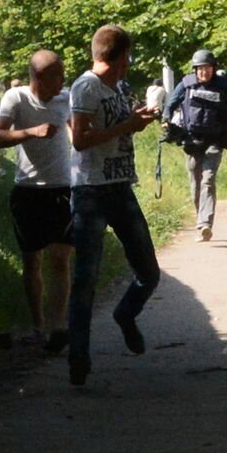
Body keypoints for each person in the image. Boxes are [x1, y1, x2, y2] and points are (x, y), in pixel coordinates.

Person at [67, 24, 161, 386]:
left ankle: (125, 314)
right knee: (86, 279)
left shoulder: (118, 87)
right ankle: (79, 359)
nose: (129, 63)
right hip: (91, 192)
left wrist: (135, 119)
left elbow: (119, 124)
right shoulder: (85, 86)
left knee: (149, 272)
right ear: (122, 57)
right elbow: (79, 140)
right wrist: (126, 125)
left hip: (120, 188)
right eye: (129, 57)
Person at [0, 50, 73, 352]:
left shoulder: (66, 100)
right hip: (28, 191)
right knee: (32, 261)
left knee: (60, 260)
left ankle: (58, 327)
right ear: (38, 77)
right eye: (57, 76)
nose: (62, 81)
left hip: (63, 188)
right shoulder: (15, 98)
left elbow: (80, 135)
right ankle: (38, 326)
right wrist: (32, 132)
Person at [162, 49, 227, 242]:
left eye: (207, 68)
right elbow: (170, 104)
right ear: (195, 70)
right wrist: (166, 119)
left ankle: (205, 223)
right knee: (195, 181)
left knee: (208, 179)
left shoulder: (223, 86)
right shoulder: (186, 84)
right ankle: (200, 218)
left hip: (215, 140)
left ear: (213, 68)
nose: (204, 72)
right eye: (200, 69)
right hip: (192, 140)